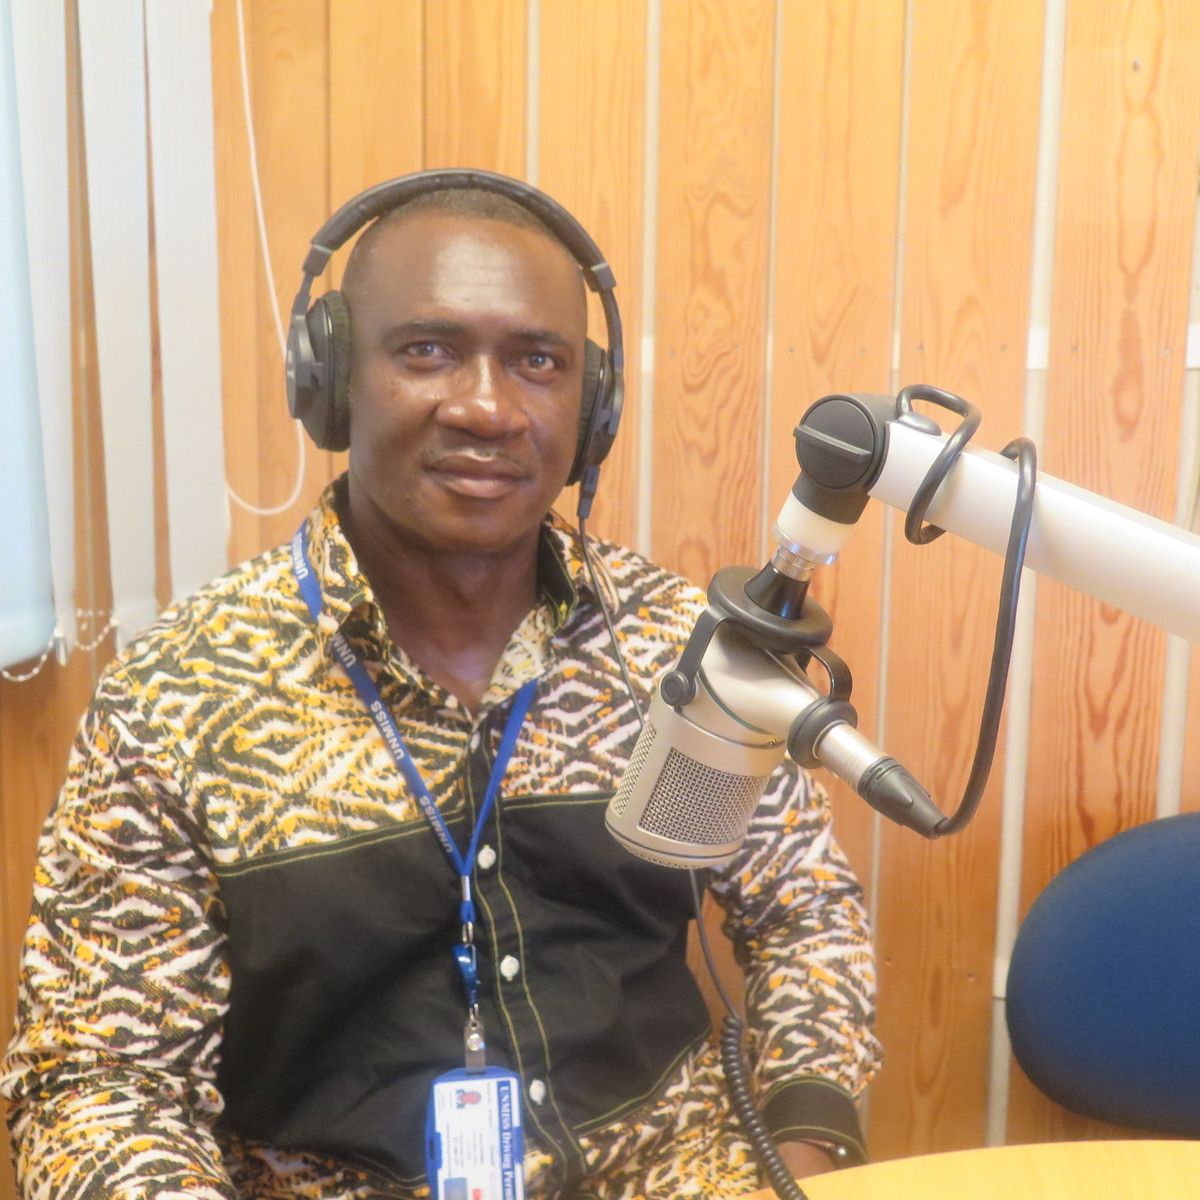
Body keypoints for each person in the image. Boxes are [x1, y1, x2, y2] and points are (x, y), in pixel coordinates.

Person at [1, 172, 881, 1199]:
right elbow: (97, 1085)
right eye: (427, 350)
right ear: (332, 382)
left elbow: (805, 915)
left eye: (537, 361)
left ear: (592, 405)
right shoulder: (178, 700)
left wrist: (805, 1155)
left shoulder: (676, 651)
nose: (486, 407)